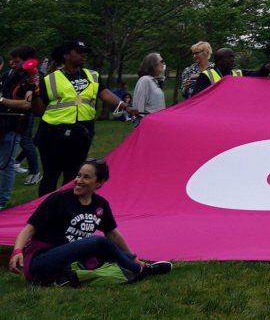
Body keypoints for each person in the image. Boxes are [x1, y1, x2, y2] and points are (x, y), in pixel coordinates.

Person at [8, 158, 171, 285]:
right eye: (78, 175)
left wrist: (133, 256)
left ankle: (139, 264)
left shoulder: (100, 204)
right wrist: (17, 251)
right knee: (96, 242)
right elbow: (29, 229)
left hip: (72, 262)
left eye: (86, 177)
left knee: (113, 250)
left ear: (98, 183)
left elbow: (113, 233)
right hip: (41, 262)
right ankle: (141, 270)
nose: (79, 180)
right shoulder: (58, 199)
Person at [34, 42, 126, 191]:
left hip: (82, 132)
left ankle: (69, 209)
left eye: (85, 51)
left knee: (73, 175)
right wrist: (35, 93)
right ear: (66, 56)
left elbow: (106, 94)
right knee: (51, 175)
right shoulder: (50, 79)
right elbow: (38, 111)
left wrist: (126, 107)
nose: (84, 54)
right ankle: (46, 209)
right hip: (54, 133)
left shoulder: (92, 76)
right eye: (79, 51)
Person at [1, 45, 39, 204]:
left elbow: (27, 104)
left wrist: (2, 100)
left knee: (6, 164)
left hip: (14, 125)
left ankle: (2, 200)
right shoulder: (9, 75)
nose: (12, 63)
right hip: (3, 122)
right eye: (11, 60)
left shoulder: (31, 78)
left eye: (16, 61)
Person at [130, 54, 168, 119]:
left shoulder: (154, 82)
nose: (163, 64)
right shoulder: (144, 80)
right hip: (148, 124)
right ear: (153, 63)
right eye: (161, 61)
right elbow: (138, 107)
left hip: (158, 123)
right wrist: (140, 123)